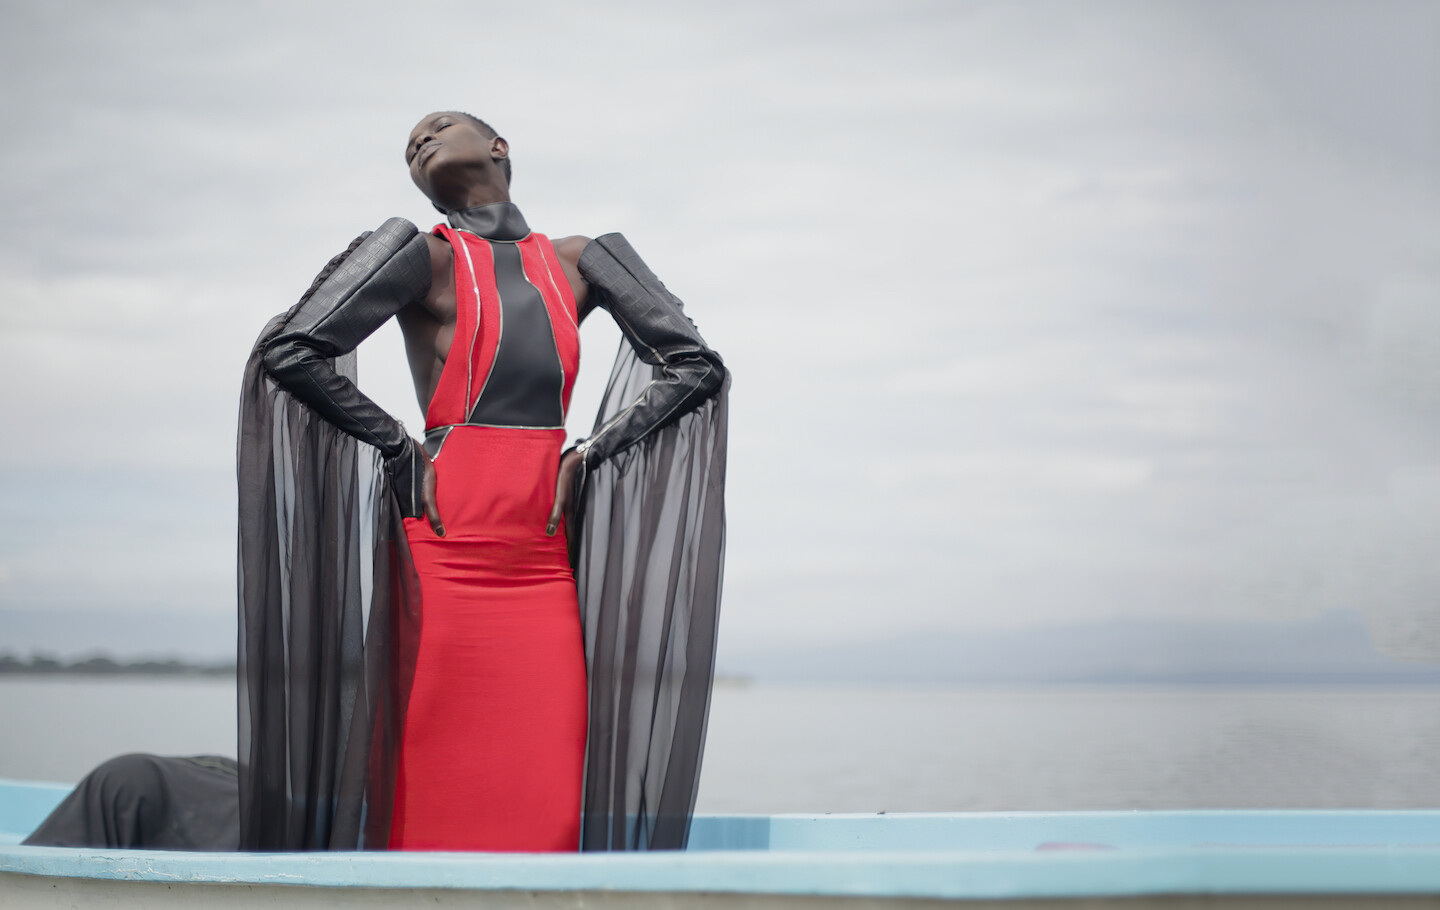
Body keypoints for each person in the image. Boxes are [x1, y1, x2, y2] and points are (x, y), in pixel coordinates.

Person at [237, 112, 729, 852]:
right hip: (443, 553)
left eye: (439, 126)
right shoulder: (420, 256)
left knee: (546, 789)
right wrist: (396, 445)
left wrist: (591, 452)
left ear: (499, 147)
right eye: (410, 146)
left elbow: (695, 365)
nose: (419, 141)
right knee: (430, 780)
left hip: (540, 564)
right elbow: (291, 349)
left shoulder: (583, 260)